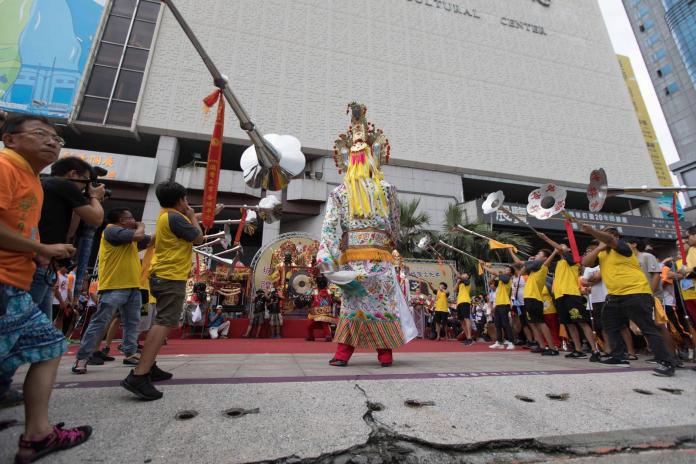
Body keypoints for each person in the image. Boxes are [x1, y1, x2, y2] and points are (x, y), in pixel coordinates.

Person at [0, 115, 92, 460]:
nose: (52, 142)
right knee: (50, 342)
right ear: (10, 139)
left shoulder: (33, 180)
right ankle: (37, 435)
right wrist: (41, 250)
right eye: (40, 134)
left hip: (14, 280)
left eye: (56, 138)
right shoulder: (5, 167)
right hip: (4, 282)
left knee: (47, 343)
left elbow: (23, 227)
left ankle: (37, 433)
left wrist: (36, 254)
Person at [318, 103, 411, 367]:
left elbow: (328, 228)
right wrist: (385, 242)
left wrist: (326, 254)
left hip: (352, 261)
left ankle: (343, 354)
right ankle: (385, 354)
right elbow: (394, 225)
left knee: (354, 304)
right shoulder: (388, 189)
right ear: (374, 157)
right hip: (380, 258)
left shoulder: (339, 193)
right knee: (381, 305)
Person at [120, 181, 219, 401]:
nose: (187, 203)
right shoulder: (175, 217)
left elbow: (188, 226)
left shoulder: (166, 215)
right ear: (181, 200)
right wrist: (195, 217)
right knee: (164, 322)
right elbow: (198, 237)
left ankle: (149, 366)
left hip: (163, 275)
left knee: (162, 320)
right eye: (185, 199)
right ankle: (140, 374)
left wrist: (200, 215)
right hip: (170, 276)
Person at [581, 225, 677, 376]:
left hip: (636, 292)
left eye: (603, 236)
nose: (600, 239)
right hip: (614, 295)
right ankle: (618, 356)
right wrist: (598, 248)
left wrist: (593, 231)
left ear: (614, 236)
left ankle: (666, 362)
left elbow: (609, 239)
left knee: (647, 328)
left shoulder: (624, 247)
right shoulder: (602, 253)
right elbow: (585, 262)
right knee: (610, 326)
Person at [72, 208, 151, 374]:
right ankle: (83, 357)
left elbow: (151, 240)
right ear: (122, 220)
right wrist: (142, 225)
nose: (134, 220)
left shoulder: (127, 237)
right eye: (130, 217)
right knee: (100, 321)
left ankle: (130, 353)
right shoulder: (112, 230)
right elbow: (139, 235)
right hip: (114, 286)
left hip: (132, 285)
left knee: (132, 322)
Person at [29, 156, 105, 320]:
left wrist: (80, 202)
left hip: (44, 266)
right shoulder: (63, 184)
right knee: (25, 323)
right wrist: (95, 197)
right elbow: (96, 219)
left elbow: (70, 232)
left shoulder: (46, 185)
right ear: (73, 174)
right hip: (38, 264)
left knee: (40, 327)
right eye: (86, 180)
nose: (87, 186)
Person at [538, 233, 601, 362]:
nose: (560, 247)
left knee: (581, 322)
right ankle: (578, 349)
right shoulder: (559, 262)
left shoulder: (573, 259)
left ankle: (595, 350)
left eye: (563, 246)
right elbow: (545, 264)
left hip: (571, 294)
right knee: (569, 324)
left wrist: (546, 238)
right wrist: (555, 252)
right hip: (560, 295)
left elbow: (561, 250)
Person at [509, 246, 560, 355]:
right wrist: (529, 262)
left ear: (544, 258)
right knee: (533, 323)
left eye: (539, 254)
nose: (536, 255)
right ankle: (541, 345)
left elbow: (518, 262)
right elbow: (520, 273)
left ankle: (552, 347)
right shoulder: (533, 269)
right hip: (528, 298)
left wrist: (554, 252)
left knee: (540, 322)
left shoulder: (543, 267)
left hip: (535, 298)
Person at [482, 264, 515, 350]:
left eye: (507, 270)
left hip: (504, 304)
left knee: (505, 323)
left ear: (511, 273)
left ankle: (511, 342)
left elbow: (495, 272)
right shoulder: (500, 280)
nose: (505, 270)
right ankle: (499, 342)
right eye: (505, 269)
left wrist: (484, 267)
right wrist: (494, 275)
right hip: (498, 304)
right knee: (498, 324)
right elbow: (490, 282)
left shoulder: (507, 279)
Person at [455, 273, 474, 345]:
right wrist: (457, 282)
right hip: (459, 302)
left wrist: (452, 267)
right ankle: (467, 337)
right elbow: (454, 290)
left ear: (467, 276)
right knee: (461, 321)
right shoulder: (460, 284)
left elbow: (459, 276)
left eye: (464, 274)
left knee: (466, 319)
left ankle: (470, 338)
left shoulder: (467, 281)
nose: (463, 275)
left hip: (465, 301)